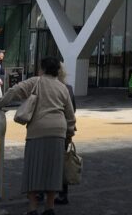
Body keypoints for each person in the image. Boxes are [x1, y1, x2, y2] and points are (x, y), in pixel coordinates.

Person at [0, 56, 76, 215]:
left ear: (43, 69)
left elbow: (14, 90)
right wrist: (69, 133)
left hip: (38, 131)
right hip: (58, 132)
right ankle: (50, 208)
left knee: (33, 170)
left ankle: (32, 209)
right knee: (53, 171)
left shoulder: (36, 82)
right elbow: (70, 115)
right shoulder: (63, 88)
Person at [55, 66, 77, 206]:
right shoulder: (68, 88)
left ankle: (41, 191)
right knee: (62, 162)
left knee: (47, 161)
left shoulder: (43, 87)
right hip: (65, 129)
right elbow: (73, 108)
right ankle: (63, 194)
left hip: (50, 130)